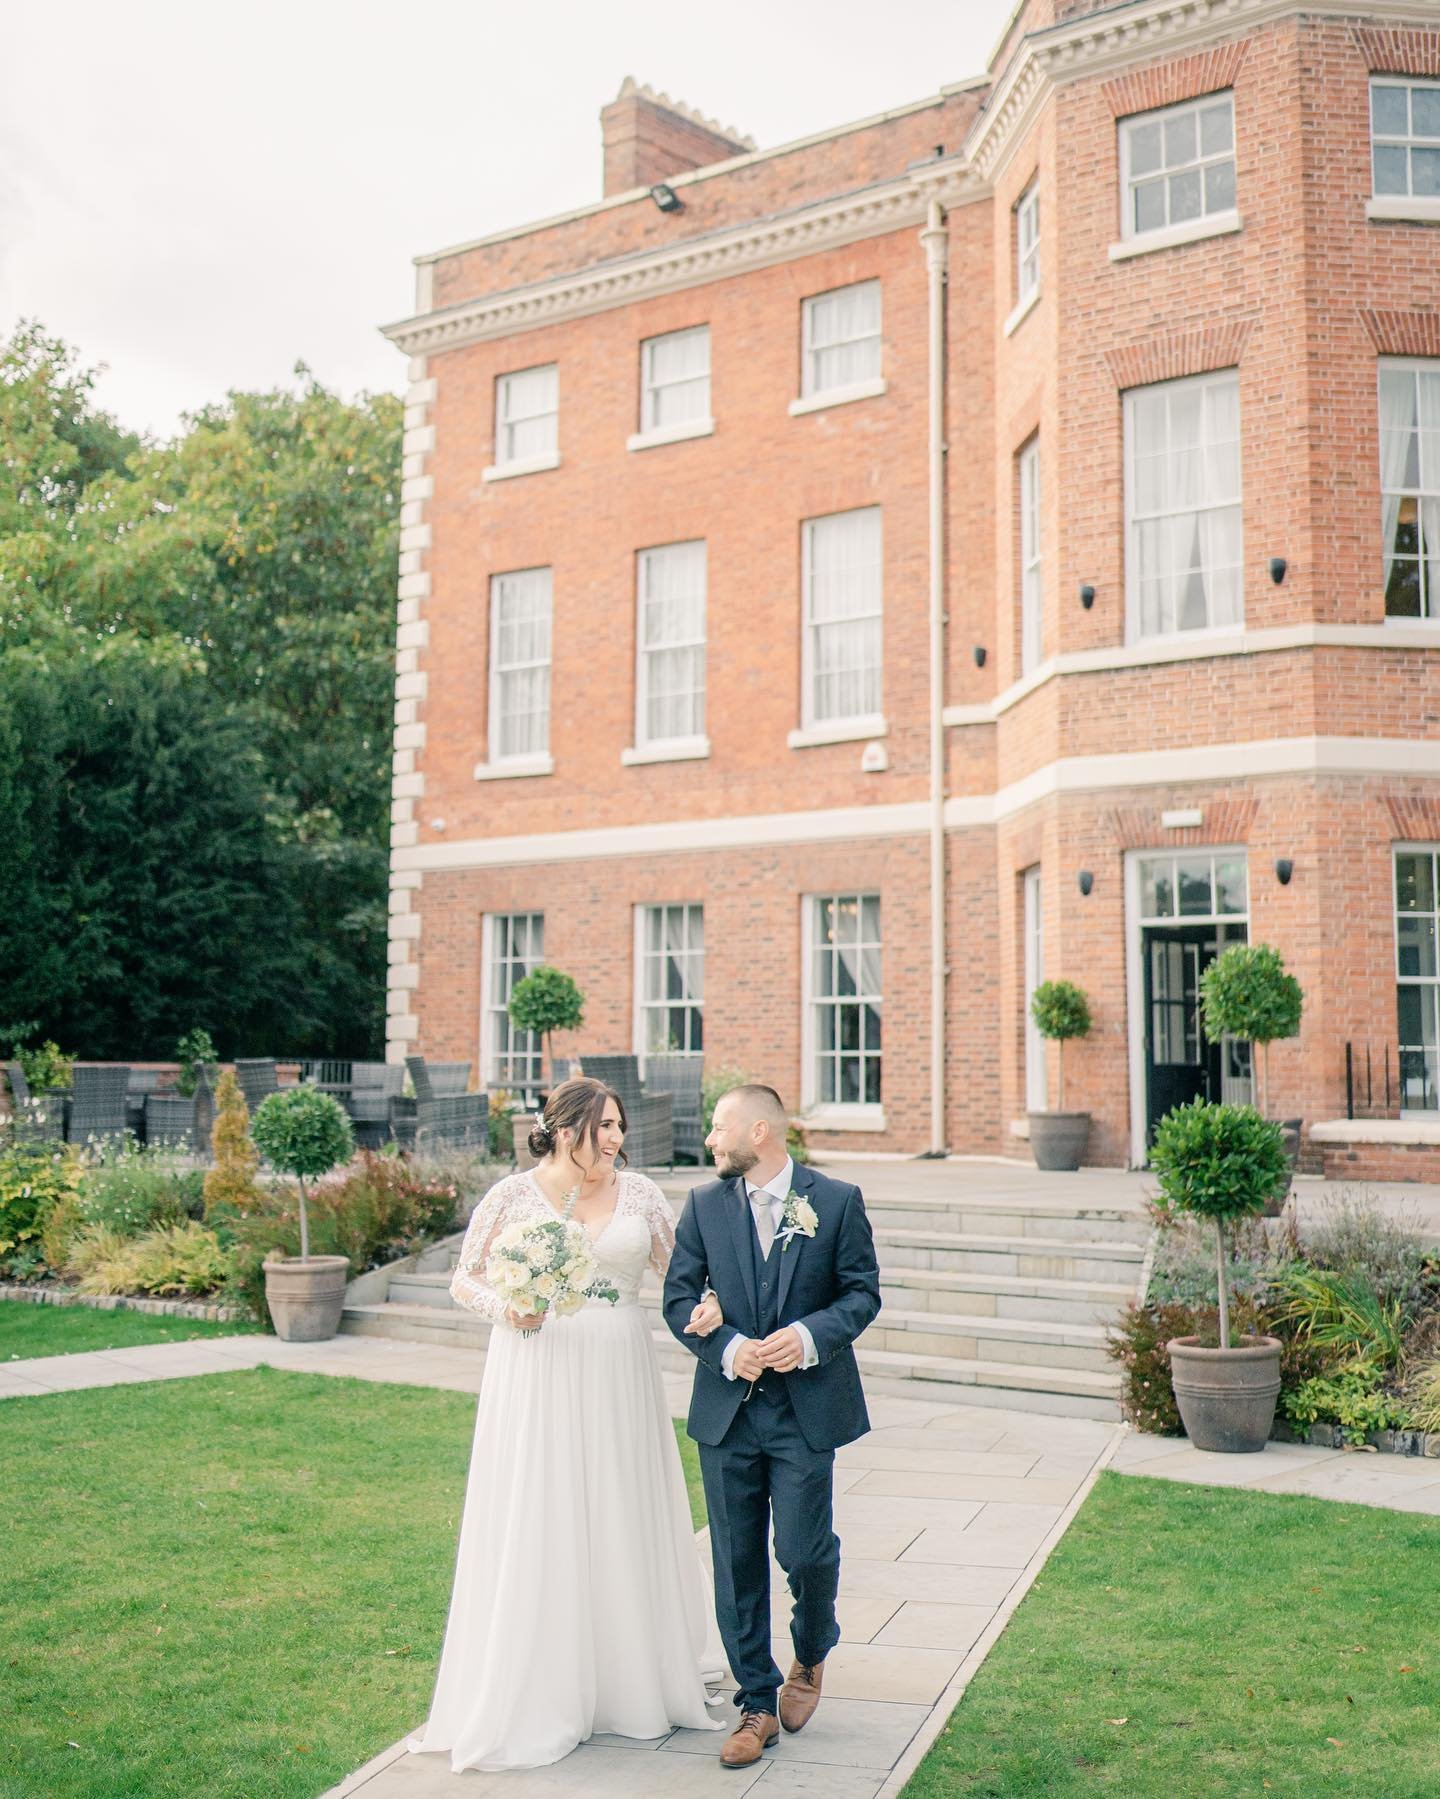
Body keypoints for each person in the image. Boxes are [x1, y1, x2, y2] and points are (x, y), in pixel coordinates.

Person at [409, 1076, 727, 1772]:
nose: (615, 1139)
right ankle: (545, 1680)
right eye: (603, 1126)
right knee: (543, 1507)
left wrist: (709, 1305)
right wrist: (509, 1307)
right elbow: (464, 1277)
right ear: (563, 1127)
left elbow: (682, 1276)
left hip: (618, 1366)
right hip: (538, 1364)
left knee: (617, 1505)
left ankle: (627, 1678)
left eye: (619, 1127)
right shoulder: (512, 1196)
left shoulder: (640, 1193)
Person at [663, 1084, 881, 1770]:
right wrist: (726, 1345)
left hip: (804, 1412)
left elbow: (862, 1292)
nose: (709, 1140)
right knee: (734, 1561)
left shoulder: (836, 1201)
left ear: (759, 1132)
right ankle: (756, 1701)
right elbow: (678, 1298)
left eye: (719, 1126)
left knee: (804, 1549)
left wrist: (808, 1337)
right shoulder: (702, 1206)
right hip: (727, 1415)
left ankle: (812, 1649)